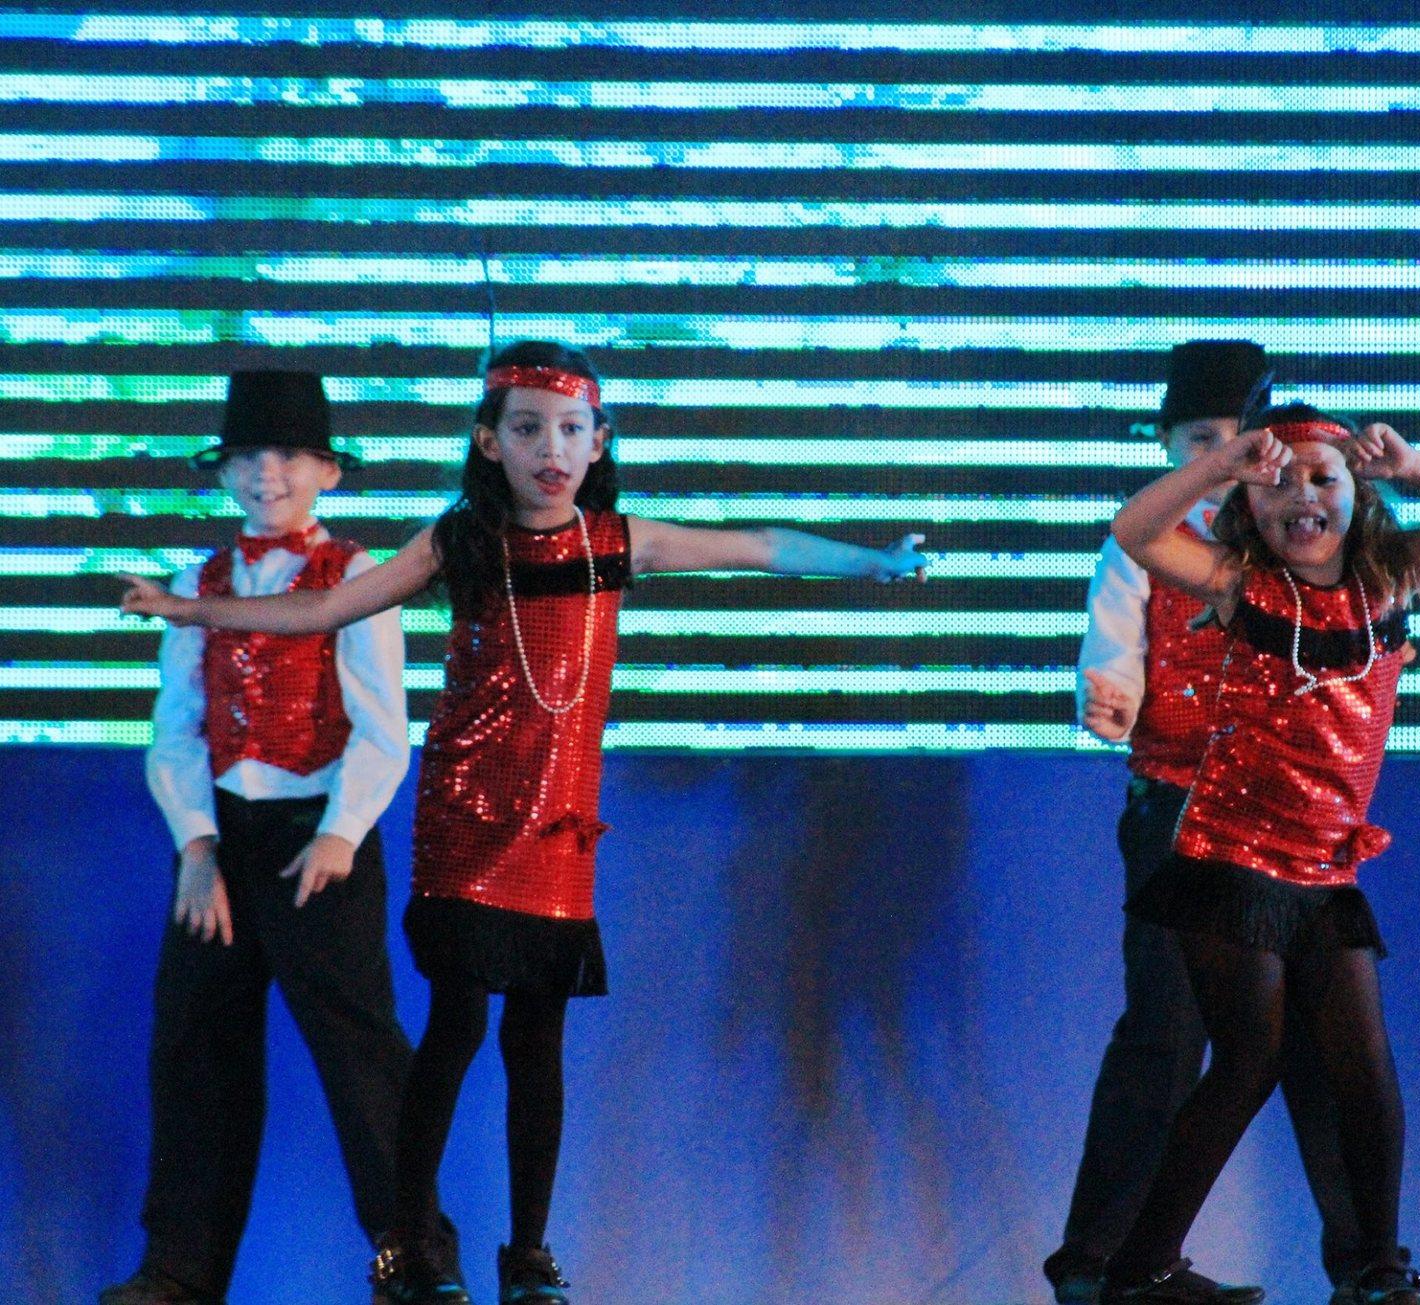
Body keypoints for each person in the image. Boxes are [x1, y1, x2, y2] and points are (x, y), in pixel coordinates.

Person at [120, 341, 929, 1305]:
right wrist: (188, 610)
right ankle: (405, 1247)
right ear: (489, 442)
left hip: (553, 827)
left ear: (599, 442)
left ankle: (528, 1254)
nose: (552, 449)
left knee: (533, 1044)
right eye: (528, 428)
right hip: (466, 820)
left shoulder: (615, 541)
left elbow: (761, 545)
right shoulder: (460, 541)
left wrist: (875, 563)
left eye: (572, 429)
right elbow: (326, 607)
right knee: (449, 1032)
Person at [1092, 401, 1420, 1304]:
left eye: (1324, 478)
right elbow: (1135, 532)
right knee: (1249, 1057)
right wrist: (1219, 467)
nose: (1303, 496)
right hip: (1231, 857)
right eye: (1281, 483)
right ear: (1252, 503)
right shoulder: (1242, 584)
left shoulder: (1386, 583)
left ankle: (1380, 1268)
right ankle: (1141, 1268)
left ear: (1359, 494)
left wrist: (1415, 465)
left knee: (1364, 1067)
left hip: (1324, 870)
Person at [1046, 344, 1363, 1305]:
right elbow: (1112, 648)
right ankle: (1103, 1260)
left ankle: (1366, 1267)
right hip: (1178, 812)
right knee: (1169, 1031)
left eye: (1241, 441)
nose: (1224, 460)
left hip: (1294, 825)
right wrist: (1109, 693)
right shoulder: (1155, 541)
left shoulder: (1293, 541)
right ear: (1165, 443)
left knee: (1322, 1046)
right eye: (1200, 441)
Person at [102, 371, 416, 1305]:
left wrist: (342, 832)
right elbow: (176, 726)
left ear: (328, 470)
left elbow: (382, 725)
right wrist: (197, 846)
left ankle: (414, 1258)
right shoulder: (198, 583)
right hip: (222, 843)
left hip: (317, 838)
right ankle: (179, 1268)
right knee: (195, 1050)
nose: (265, 473)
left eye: (287, 455)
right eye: (245, 456)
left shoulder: (356, 575)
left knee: (361, 1056)